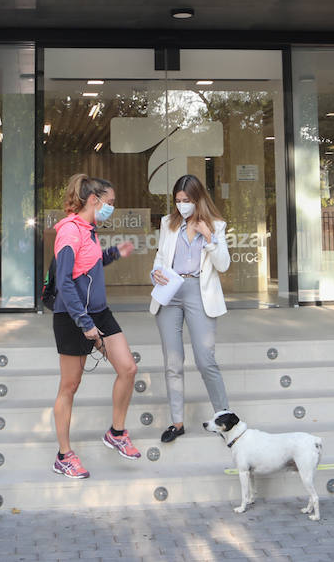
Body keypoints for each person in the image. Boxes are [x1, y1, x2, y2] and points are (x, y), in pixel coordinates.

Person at [50, 173, 139, 478]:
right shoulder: (69, 233)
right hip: (73, 317)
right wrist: (84, 323)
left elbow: (87, 264)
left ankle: (116, 432)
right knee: (70, 386)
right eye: (109, 203)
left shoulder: (89, 230)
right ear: (93, 200)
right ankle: (64, 455)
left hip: (98, 312)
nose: (111, 208)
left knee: (128, 368)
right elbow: (64, 281)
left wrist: (114, 253)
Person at [148, 173, 231, 443]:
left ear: (198, 199)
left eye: (186, 200)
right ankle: (177, 423)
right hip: (170, 292)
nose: (182, 205)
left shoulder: (216, 225)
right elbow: (160, 259)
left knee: (205, 359)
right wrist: (155, 274)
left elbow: (223, 265)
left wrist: (210, 239)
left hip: (199, 292)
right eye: (178, 200)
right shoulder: (168, 223)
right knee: (173, 361)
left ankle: (224, 418)